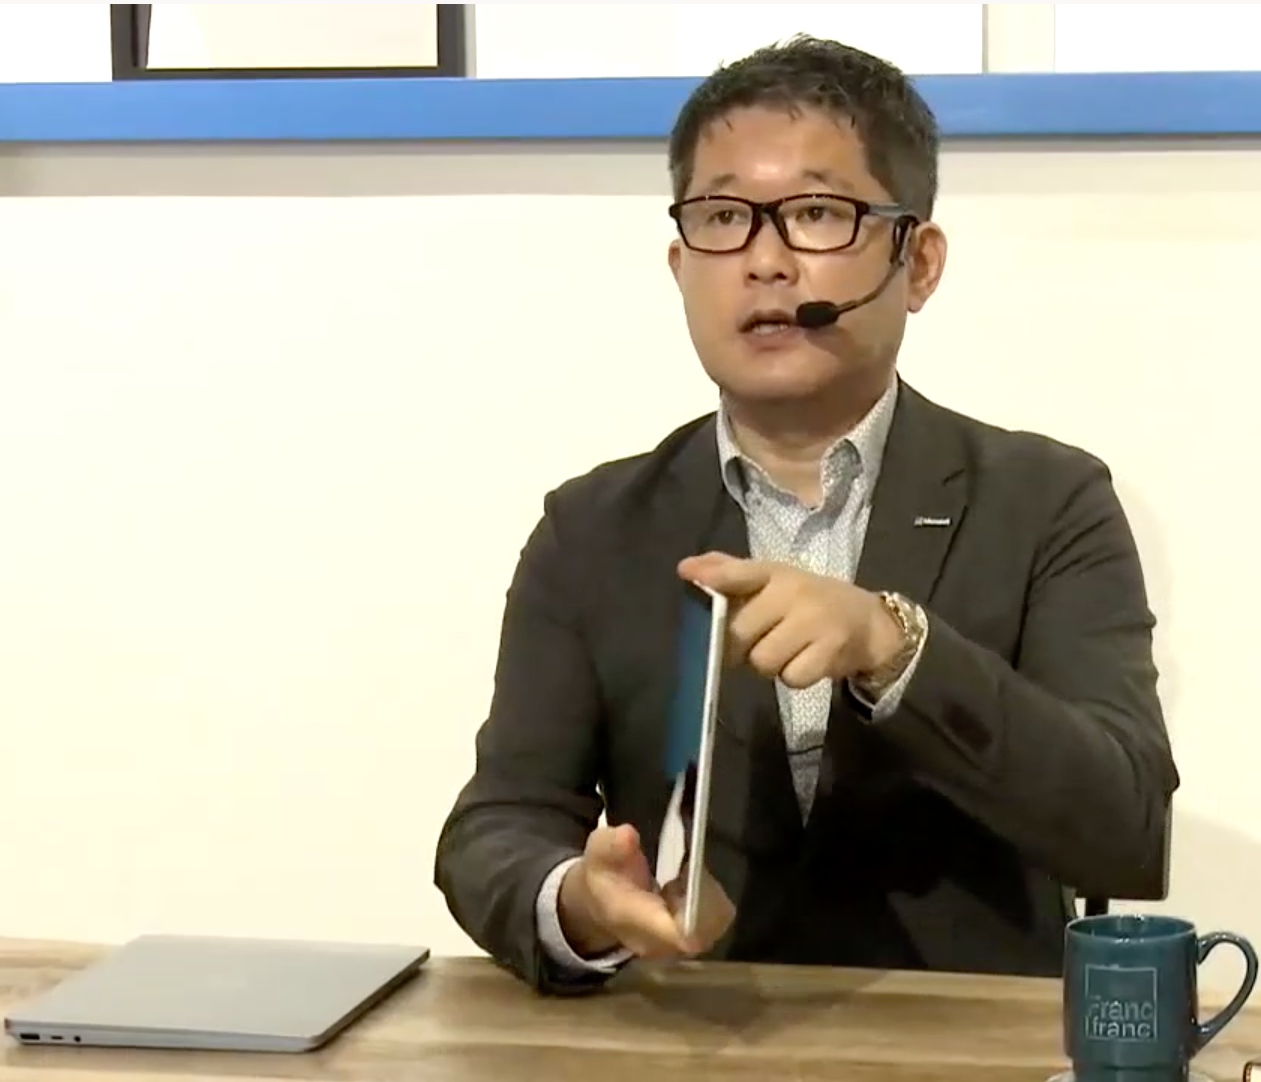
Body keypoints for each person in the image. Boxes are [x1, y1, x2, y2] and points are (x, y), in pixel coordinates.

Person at [434, 35, 1177, 996]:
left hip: (975, 1048)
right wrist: (576, 899)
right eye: (723, 218)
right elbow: (497, 826)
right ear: (680, 266)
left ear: (918, 262)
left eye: (818, 214)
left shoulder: (1048, 500)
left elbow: (1127, 829)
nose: (765, 261)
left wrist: (896, 646)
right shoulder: (592, 528)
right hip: (688, 1044)